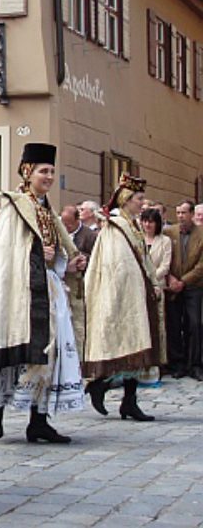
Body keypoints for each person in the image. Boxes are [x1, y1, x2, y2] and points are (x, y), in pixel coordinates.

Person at [0, 143, 86, 443]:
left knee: (51, 354)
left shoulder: (47, 209)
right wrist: (38, 253)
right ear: (27, 172)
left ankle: (39, 419)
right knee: (19, 352)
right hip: (20, 292)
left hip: (48, 289)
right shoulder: (15, 206)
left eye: (51, 171)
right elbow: (6, 253)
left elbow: (53, 250)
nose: (48, 176)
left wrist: (66, 260)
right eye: (42, 171)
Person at [83, 174, 162, 421]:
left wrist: (152, 282)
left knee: (136, 347)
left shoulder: (133, 224)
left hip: (139, 293)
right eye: (139, 199)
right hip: (124, 295)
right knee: (127, 344)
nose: (142, 203)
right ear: (127, 200)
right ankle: (101, 385)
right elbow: (116, 264)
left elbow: (142, 259)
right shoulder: (115, 227)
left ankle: (129, 401)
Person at [163, 200, 203, 379]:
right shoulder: (169, 232)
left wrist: (184, 281)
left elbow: (201, 265)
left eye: (184, 213)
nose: (180, 216)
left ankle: (194, 364)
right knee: (173, 324)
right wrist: (170, 277)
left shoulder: (201, 234)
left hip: (193, 286)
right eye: (178, 212)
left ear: (192, 214)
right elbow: (164, 257)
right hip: (172, 286)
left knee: (194, 324)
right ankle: (177, 363)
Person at [60, 204, 96, 357]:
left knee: (79, 324)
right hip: (63, 283)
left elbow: (97, 258)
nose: (66, 227)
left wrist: (85, 260)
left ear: (77, 220)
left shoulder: (90, 235)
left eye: (69, 224)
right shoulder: (60, 234)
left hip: (81, 287)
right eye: (63, 223)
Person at [142, 207, 171, 379]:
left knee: (158, 323)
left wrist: (152, 278)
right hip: (141, 285)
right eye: (145, 221)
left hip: (157, 286)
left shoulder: (164, 241)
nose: (147, 225)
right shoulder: (139, 239)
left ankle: (159, 361)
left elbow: (165, 265)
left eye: (151, 221)